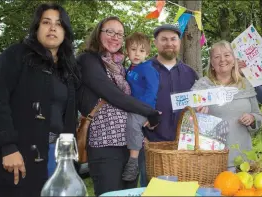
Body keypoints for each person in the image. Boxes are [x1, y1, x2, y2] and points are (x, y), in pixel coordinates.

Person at [0, 3, 80, 196]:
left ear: (65, 32)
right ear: (37, 27)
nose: (52, 27)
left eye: (59, 24)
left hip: (57, 156)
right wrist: (7, 147)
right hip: (17, 154)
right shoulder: (15, 56)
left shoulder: (68, 68)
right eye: (46, 22)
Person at [77, 16, 160, 196]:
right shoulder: (88, 60)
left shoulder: (121, 67)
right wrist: (149, 112)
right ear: (98, 34)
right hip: (105, 144)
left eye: (120, 34)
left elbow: (134, 97)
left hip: (128, 145)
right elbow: (112, 94)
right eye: (110, 32)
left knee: (129, 193)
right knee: (110, 192)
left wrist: (141, 124)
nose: (115, 37)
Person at [136, 24, 198, 186]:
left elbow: (199, 106)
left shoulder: (191, 74)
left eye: (173, 39)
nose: (169, 43)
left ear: (179, 43)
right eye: (163, 39)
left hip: (183, 148)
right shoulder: (142, 70)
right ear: (155, 43)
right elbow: (131, 102)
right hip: (151, 145)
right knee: (151, 190)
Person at [192, 40, 262, 171]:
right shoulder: (202, 86)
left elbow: (258, 116)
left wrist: (252, 118)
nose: (222, 60)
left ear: (234, 60)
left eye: (227, 55)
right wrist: (198, 115)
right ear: (212, 64)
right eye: (217, 57)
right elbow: (189, 119)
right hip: (211, 158)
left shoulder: (245, 85)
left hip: (242, 158)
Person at [122, 32, 159, 181]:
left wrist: (143, 109)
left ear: (147, 53)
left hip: (144, 108)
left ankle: (133, 161)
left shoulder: (148, 68)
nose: (137, 54)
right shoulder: (130, 69)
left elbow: (152, 90)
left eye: (142, 51)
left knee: (132, 122)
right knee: (130, 125)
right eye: (133, 49)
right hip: (134, 106)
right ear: (127, 51)